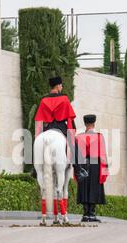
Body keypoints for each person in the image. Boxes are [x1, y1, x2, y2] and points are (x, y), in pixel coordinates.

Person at [34, 76, 77, 215]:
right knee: (75, 147)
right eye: (61, 86)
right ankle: (79, 167)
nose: (62, 88)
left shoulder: (44, 100)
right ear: (58, 86)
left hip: (47, 129)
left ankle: (34, 168)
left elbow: (39, 124)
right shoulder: (64, 99)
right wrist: (72, 138)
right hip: (61, 128)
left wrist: (37, 139)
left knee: (38, 147)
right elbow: (70, 121)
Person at [75, 115, 109, 223]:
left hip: (83, 163)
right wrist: (105, 167)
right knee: (94, 187)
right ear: (94, 124)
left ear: (85, 124)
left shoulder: (78, 137)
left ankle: (85, 214)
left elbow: (76, 155)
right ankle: (92, 214)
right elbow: (102, 155)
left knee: (84, 187)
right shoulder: (99, 137)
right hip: (95, 164)